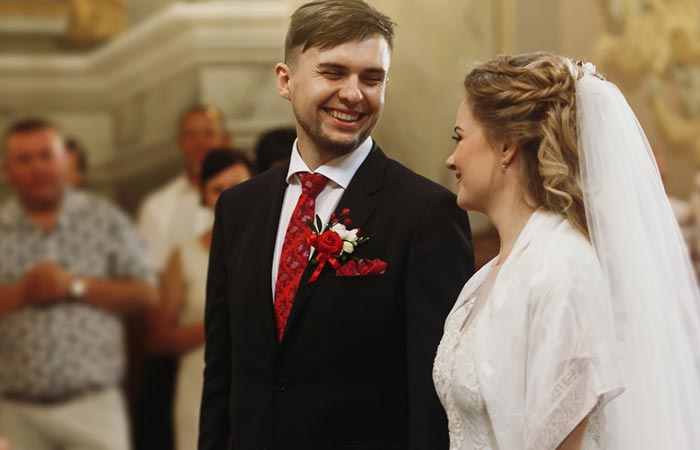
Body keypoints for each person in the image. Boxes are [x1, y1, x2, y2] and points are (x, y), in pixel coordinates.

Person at [199, 1, 475, 449]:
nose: (354, 93)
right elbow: (222, 372)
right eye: (333, 73)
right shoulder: (239, 207)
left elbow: (434, 392)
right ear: (285, 81)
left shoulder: (426, 213)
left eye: (372, 78)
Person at [434, 52, 700, 450]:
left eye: (460, 137)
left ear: (506, 146)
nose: (450, 158)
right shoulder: (487, 276)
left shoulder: (561, 267)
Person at [0, 118, 156, 450]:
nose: (37, 167)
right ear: (7, 169)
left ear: (64, 160)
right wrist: (22, 293)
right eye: (25, 160)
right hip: (14, 411)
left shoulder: (107, 219)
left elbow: (146, 295)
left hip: (94, 407)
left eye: (46, 155)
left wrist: (74, 286)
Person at [149, 149, 252, 450]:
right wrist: (221, 320)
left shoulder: (278, 249)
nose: (228, 198)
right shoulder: (183, 255)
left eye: (237, 186)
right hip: (200, 384)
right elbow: (158, 337)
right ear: (204, 197)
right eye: (217, 190)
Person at [137, 104, 232, 273]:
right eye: (190, 135)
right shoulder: (157, 206)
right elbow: (149, 272)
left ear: (226, 139)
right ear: (180, 142)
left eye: (208, 133)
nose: (199, 143)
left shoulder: (251, 199)